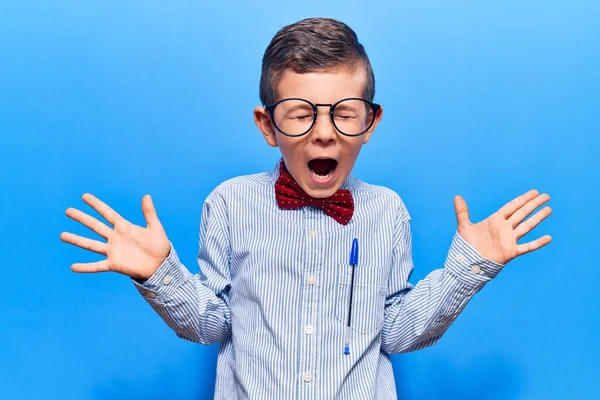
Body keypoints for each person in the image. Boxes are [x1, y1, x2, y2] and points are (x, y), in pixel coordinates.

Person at [60, 17, 552, 400]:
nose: (323, 132)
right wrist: (159, 274)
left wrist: (466, 271)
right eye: (300, 113)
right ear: (267, 125)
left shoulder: (387, 211)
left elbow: (397, 331)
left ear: (371, 121)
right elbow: (213, 324)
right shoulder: (229, 203)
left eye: (344, 113)